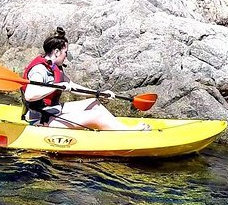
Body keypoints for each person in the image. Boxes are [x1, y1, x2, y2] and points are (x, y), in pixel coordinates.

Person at [22, 27, 150, 131]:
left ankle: (119, 128)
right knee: (96, 115)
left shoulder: (54, 67)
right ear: (56, 52)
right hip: (39, 119)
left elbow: (72, 86)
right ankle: (128, 132)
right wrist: (58, 86)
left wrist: (99, 94)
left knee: (95, 104)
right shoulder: (40, 70)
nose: (66, 56)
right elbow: (30, 95)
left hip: (52, 111)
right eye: (65, 52)